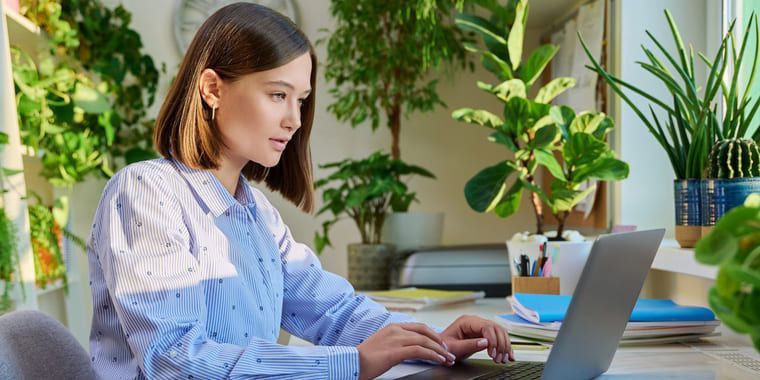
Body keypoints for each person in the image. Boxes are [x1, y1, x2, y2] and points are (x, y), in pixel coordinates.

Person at [87, 3, 513, 379]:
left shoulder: (257, 213)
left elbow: (332, 311)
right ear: (212, 89)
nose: (294, 119)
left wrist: (432, 341)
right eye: (278, 95)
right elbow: (176, 361)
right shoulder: (145, 192)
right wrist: (351, 365)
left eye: (301, 100)